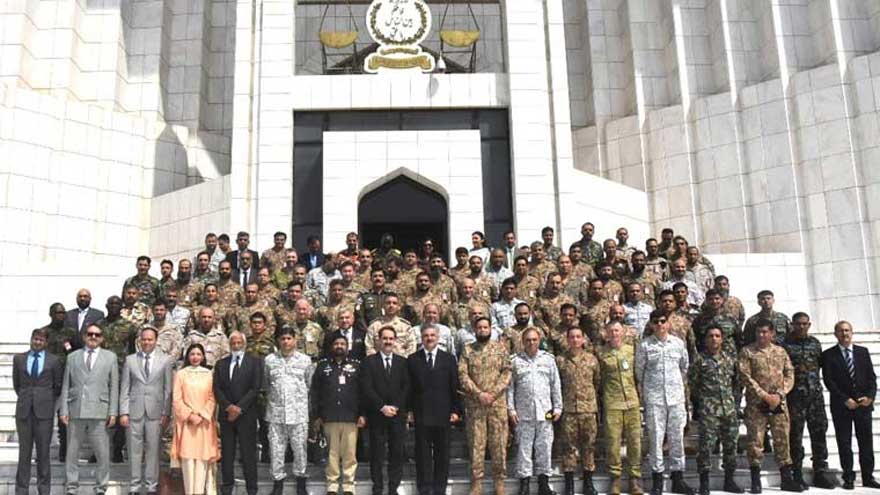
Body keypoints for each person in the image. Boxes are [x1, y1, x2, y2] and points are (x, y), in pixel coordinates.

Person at [738, 319, 802, 493]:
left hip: (778, 403)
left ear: (772, 333)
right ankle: (755, 480)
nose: (761, 335)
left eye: (765, 332)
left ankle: (786, 478)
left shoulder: (780, 352)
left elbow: (789, 373)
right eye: (759, 332)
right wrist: (764, 395)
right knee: (755, 441)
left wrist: (780, 394)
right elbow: (745, 376)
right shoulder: (747, 352)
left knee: (782, 439)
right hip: (756, 404)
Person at [635, 312, 693, 495]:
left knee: (677, 439)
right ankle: (657, 479)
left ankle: (678, 478)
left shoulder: (678, 343)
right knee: (656, 439)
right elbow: (639, 371)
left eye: (663, 321)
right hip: (655, 399)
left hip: (676, 398)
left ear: (668, 323)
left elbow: (684, 367)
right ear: (651, 325)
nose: (660, 325)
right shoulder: (644, 345)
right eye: (656, 322)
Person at [60, 324, 119, 495]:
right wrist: (63, 409)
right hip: (76, 409)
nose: (93, 337)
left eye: (97, 334)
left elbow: (114, 385)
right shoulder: (72, 357)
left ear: (102, 338)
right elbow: (66, 384)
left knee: (102, 453)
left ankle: (101, 487)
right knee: (72, 453)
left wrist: (113, 412)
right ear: (84, 336)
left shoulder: (110, 357)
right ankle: (71, 487)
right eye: (90, 334)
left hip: (100, 410)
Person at [822, 320, 880, 490]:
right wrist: (845, 399)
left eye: (847, 330)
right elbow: (829, 381)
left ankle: (868, 476)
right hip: (842, 406)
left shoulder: (863, 352)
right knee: (844, 442)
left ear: (852, 332)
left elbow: (872, 378)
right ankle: (848, 477)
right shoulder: (828, 355)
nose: (844, 334)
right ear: (835, 334)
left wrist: (870, 397)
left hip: (863, 406)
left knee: (866, 442)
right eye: (840, 331)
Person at [782, 313, 837, 489]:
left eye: (804, 324)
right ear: (792, 325)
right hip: (794, 398)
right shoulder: (784, 345)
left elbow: (821, 366)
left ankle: (820, 471)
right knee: (795, 436)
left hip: (815, 397)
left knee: (819, 434)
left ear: (809, 325)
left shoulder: (815, 344)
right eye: (798, 324)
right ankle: (796, 473)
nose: (801, 327)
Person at [458, 316, 512, 495]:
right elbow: (463, 375)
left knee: (499, 444)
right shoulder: (467, 350)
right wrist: (479, 394)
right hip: (475, 405)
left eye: (485, 327)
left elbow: (507, 373)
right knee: (476, 445)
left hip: (497, 406)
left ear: (491, 329)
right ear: (474, 329)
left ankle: (499, 482)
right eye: (479, 327)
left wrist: (493, 394)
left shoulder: (501, 349)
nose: (482, 330)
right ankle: (476, 483)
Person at [407, 324, 461, 495]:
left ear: (438, 338)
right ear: (421, 338)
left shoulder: (449, 359)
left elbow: (454, 386)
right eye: (426, 336)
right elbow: (409, 388)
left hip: (443, 413)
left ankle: (439, 489)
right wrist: (409, 411)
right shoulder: (413, 359)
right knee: (422, 455)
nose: (429, 338)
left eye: (432, 335)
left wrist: (455, 410)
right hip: (421, 412)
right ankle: (424, 488)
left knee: (442, 454)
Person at [688, 326, 743, 495]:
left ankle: (729, 480)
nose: (714, 339)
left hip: (728, 409)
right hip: (709, 410)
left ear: (722, 339)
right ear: (705, 340)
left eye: (717, 336)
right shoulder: (699, 360)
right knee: (706, 446)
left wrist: (734, 402)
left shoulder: (730, 358)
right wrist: (702, 403)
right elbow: (693, 384)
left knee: (730, 446)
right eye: (710, 336)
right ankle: (704, 482)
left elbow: (737, 382)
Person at [119, 327, 173, 495]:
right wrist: (123, 412)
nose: (147, 342)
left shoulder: (165, 360)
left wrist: (166, 413)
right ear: (139, 341)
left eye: (150, 339)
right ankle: (134, 486)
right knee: (133, 451)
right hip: (134, 412)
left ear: (156, 341)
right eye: (144, 339)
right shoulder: (130, 360)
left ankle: (151, 486)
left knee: (153, 450)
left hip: (155, 413)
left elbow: (167, 390)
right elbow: (125, 388)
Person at [508, 328, 562, 495]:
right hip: (523, 413)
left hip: (545, 412)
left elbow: (555, 384)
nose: (531, 343)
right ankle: (524, 485)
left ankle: (543, 483)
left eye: (534, 340)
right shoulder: (515, 361)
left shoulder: (548, 360)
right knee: (524, 449)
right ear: (522, 342)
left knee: (544, 447)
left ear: (539, 341)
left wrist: (558, 407)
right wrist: (510, 409)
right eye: (528, 340)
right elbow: (510, 388)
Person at [311, 332, 365, 495]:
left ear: (347, 346)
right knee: (332, 453)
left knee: (349, 453)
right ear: (331, 346)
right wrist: (317, 415)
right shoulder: (322, 366)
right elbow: (315, 392)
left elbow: (362, 392)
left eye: (342, 344)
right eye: (336, 344)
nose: (339, 346)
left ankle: (348, 485)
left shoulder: (356, 365)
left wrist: (362, 414)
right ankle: (332, 485)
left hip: (351, 416)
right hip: (329, 416)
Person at [264, 325, 314, 495]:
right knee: (276, 450)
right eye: (283, 338)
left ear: (295, 340)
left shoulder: (305, 361)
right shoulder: (270, 360)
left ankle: (301, 483)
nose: (286, 341)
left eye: (289, 338)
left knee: (300, 449)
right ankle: (277, 484)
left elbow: (310, 384)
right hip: (276, 414)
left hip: (298, 414)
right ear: (278, 341)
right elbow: (266, 384)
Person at [361, 326, 411, 495]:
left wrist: (395, 406)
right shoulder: (369, 362)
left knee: (396, 453)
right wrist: (382, 407)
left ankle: (393, 488)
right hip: (377, 415)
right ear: (378, 340)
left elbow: (406, 387)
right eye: (385, 338)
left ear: (395, 341)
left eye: (391, 339)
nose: (388, 342)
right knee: (377, 454)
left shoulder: (403, 362)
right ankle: (378, 487)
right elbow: (366, 388)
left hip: (397, 415)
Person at [14, 328, 63, 495]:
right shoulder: (19, 359)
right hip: (24, 412)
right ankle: (21, 490)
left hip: (44, 413)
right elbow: (17, 385)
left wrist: (43, 399)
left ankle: (44, 490)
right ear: (31, 339)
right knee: (24, 453)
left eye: (41, 340)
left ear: (46, 342)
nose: (37, 342)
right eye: (35, 339)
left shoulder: (54, 361)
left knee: (43, 453)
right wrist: (28, 397)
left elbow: (57, 386)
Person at [214, 331, 263, 495]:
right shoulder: (221, 364)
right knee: (227, 453)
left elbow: (255, 388)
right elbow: (217, 388)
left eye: (239, 343)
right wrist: (229, 407)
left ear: (244, 344)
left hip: (246, 415)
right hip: (227, 415)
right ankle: (227, 487)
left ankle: (252, 489)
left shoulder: (255, 362)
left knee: (248, 453)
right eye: (233, 343)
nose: (236, 346)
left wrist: (239, 408)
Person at [597, 321, 643, 495]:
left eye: (617, 330)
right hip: (612, 402)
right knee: (613, 443)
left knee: (635, 442)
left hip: (632, 402)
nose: (614, 334)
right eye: (611, 331)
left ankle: (634, 479)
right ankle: (615, 479)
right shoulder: (601, 353)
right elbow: (598, 379)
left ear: (623, 332)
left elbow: (638, 374)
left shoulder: (632, 350)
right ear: (606, 334)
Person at [556, 326, 600, 495]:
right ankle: (569, 485)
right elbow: (557, 384)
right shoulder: (561, 360)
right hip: (569, 410)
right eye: (571, 337)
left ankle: (588, 483)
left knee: (589, 446)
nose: (575, 340)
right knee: (568, 447)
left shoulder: (592, 360)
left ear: (583, 340)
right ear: (567, 340)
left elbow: (597, 382)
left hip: (588, 410)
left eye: (578, 337)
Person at [172, 344, 220, 495]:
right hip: (187, 424)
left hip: (204, 423)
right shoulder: (181, 374)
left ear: (203, 357)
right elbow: (176, 399)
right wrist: (190, 415)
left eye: (198, 354)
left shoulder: (209, 374)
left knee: (202, 460)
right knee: (187, 460)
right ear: (187, 356)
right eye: (192, 354)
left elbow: (213, 397)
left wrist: (203, 415)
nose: (195, 357)